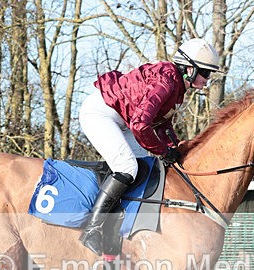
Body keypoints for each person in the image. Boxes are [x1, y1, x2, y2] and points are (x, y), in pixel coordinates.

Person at [78, 38, 222, 255]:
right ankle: (92, 229)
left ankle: (119, 231)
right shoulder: (166, 82)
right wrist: (164, 151)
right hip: (101, 112)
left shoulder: (177, 86)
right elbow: (140, 125)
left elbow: (161, 124)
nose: (207, 79)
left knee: (144, 168)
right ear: (190, 69)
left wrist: (176, 148)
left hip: (123, 119)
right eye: (205, 73)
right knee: (128, 167)